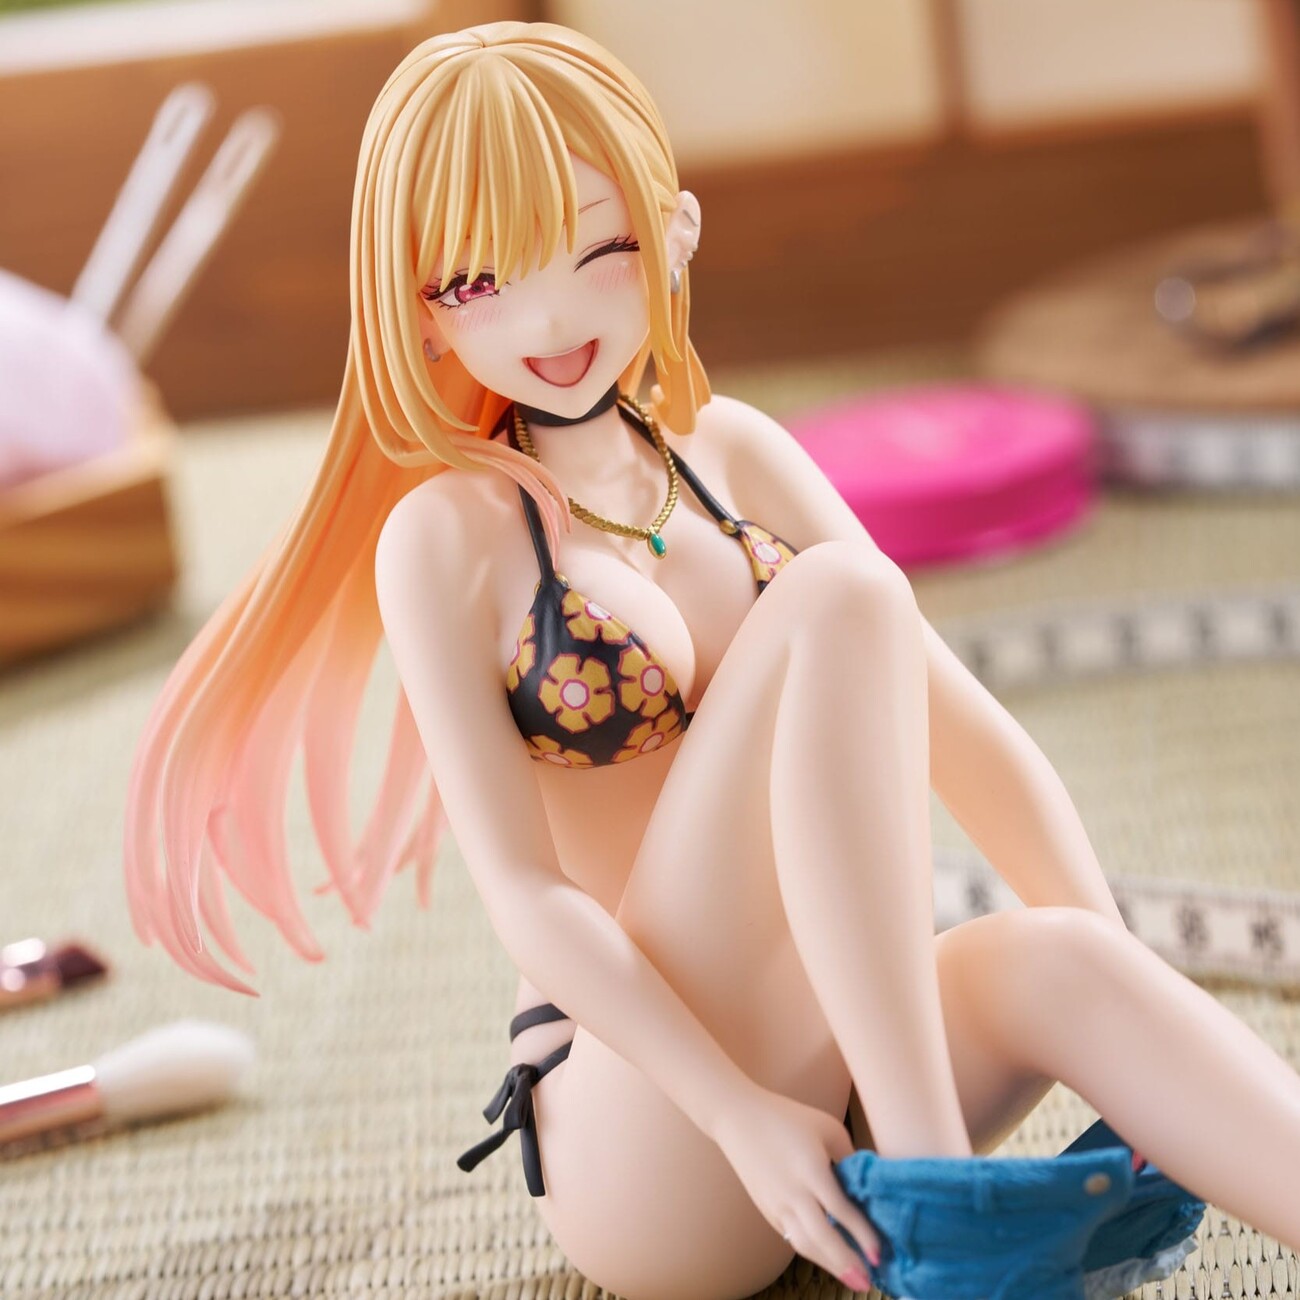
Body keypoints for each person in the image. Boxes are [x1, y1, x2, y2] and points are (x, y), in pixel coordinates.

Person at [123, 22, 1300, 1300]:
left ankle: (936, 1191)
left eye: (599, 249)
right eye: (479, 282)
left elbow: (966, 735)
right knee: (841, 591)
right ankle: (938, 1201)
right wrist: (735, 1114)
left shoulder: (735, 453)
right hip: (651, 1129)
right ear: (416, 308)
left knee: (1070, 956)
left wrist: (1120, 991)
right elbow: (528, 896)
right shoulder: (446, 540)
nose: (550, 317)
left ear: (674, 231)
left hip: (835, 1061)